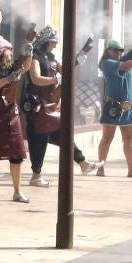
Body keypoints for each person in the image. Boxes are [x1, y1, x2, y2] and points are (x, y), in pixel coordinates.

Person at [23, 28, 90, 184]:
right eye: (53, 41)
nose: (55, 44)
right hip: (37, 105)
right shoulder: (35, 56)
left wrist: (76, 61)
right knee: (38, 140)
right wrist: (55, 80)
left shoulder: (51, 57)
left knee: (63, 135)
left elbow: (65, 71)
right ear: (47, 41)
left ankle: (83, 163)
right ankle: (36, 175)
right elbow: (36, 79)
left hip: (51, 104)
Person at [0, 39, 32, 202]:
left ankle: (17, 192)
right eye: (8, 50)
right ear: (0, 52)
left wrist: (29, 51)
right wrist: (9, 79)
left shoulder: (13, 65)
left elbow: (27, 66)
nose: (10, 53)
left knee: (16, 155)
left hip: (11, 113)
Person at [94, 40, 132, 178]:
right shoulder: (107, 63)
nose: (119, 53)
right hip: (113, 106)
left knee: (129, 139)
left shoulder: (120, 59)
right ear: (108, 51)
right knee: (107, 138)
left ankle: (131, 170)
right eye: (116, 50)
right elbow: (128, 64)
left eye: (120, 51)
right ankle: (101, 168)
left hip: (127, 106)